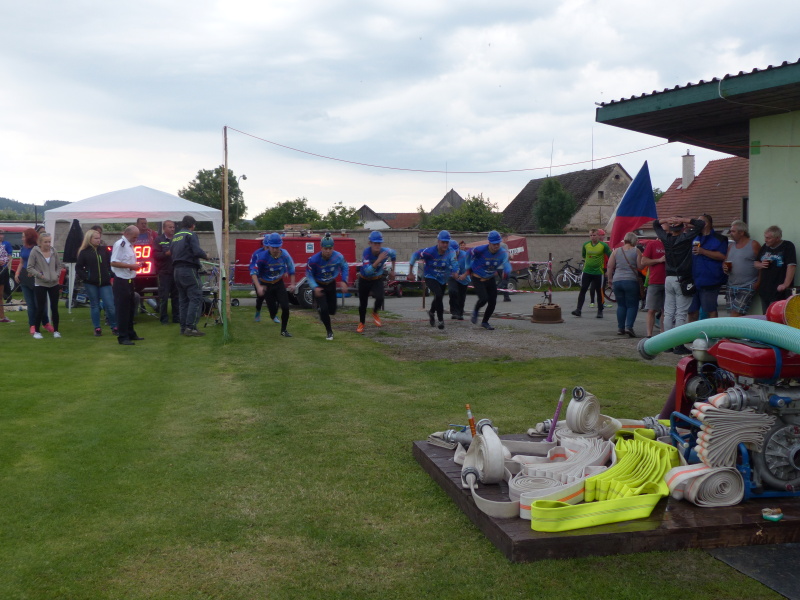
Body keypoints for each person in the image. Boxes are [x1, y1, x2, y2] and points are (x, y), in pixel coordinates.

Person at [653, 215, 705, 355]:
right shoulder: (686, 238)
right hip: (682, 278)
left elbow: (655, 224)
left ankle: (667, 343)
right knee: (681, 313)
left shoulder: (666, 238)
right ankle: (678, 344)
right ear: (682, 228)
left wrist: (666, 220)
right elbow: (700, 224)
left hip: (668, 277)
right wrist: (684, 220)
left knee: (668, 312)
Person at [408, 231, 459, 330]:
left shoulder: (451, 252)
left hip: (442, 278)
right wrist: (410, 272)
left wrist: (455, 271)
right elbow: (415, 255)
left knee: (438, 297)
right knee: (438, 295)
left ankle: (431, 312)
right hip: (430, 276)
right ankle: (440, 320)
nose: (445, 245)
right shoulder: (429, 251)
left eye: (447, 242)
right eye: (443, 242)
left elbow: (454, 262)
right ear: (438, 241)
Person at [171, 216, 211, 337]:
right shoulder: (190, 234)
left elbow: (171, 252)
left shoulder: (175, 236)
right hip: (188, 270)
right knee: (196, 297)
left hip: (176, 271)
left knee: (183, 301)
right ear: (192, 225)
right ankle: (191, 327)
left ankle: (183, 328)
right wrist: (206, 255)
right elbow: (196, 251)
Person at [250, 232, 295, 337]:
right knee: (273, 310)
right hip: (266, 284)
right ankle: (271, 314)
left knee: (285, 306)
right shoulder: (262, 257)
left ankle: (284, 330)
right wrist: (259, 287)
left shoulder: (285, 254)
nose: (275, 250)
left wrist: (293, 284)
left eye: (277, 247)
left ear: (281, 246)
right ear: (268, 246)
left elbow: (291, 269)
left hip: (279, 283)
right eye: (272, 247)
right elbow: (253, 273)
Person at [305, 233, 349, 340]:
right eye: (326, 249)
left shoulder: (338, 257)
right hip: (319, 286)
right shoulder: (314, 260)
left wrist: (344, 281)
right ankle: (329, 331)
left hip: (331, 284)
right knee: (324, 309)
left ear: (333, 248)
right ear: (321, 248)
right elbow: (309, 275)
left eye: (330, 249)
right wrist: (315, 287)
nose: (328, 251)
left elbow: (345, 267)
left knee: (332, 310)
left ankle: (321, 311)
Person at [76, 229, 118, 337]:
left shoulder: (104, 250)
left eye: (99, 238)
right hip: (91, 283)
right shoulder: (84, 252)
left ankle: (114, 326)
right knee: (95, 305)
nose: (98, 240)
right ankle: (97, 328)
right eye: (96, 238)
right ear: (89, 239)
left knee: (110, 305)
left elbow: (110, 263)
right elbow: (79, 267)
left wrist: (110, 274)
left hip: (105, 282)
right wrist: (86, 277)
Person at [467, 230, 511, 331]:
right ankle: (476, 311)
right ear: (489, 243)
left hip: (490, 278)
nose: (496, 246)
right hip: (478, 278)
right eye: (494, 244)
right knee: (484, 298)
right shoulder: (480, 249)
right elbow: (468, 253)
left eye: (498, 244)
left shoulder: (502, 252)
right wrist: (468, 268)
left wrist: (506, 272)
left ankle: (485, 322)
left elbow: (507, 264)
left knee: (493, 301)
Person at [687, 214, 728, 322]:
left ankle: (713, 331)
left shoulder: (719, 239)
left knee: (710, 310)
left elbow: (722, 256)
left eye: (699, 221)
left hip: (710, 280)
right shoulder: (694, 237)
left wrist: (703, 251)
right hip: (693, 280)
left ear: (706, 223)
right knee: (691, 311)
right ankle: (692, 332)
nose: (696, 224)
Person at [110, 226, 145, 345]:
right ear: (127, 234)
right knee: (123, 309)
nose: (136, 239)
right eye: (134, 237)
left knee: (130, 308)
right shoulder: (121, 244)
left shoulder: (129, 245)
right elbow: (114, 262)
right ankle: (123, 336)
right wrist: (131, 266)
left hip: (129, 279)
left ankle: (130, 333)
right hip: (121, 280)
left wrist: (135, 265)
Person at [356, 231, 396, 333]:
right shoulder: (366, 253)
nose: (377, 246)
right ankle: (362, 322)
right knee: (363, 303)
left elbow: (394, 254)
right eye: (375, 243)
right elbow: (367, 271)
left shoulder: (385, 251)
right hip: (364, 279)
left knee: (380, 297)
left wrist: (393, 270)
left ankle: (375, 312)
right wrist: (379, 260)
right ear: (370, 243)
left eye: (379, 243)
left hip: (377, 279)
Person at [14, 228, 52, 335]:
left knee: (39, 303)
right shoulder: (23, 248)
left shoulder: (38, 248)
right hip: (25, 277)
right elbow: (22, 262)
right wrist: (17, 273)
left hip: (36, 277)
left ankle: (45, 322)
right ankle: (33, 325)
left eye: (24, 236)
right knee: (30, 304)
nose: (22, 238)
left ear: (29, 237)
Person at [606, 232, 644, 337]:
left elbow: (609, 266)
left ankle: (620, 328)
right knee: (632, 305)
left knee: (621, 305)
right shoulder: (636, 251)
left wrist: (610, 279)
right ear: (634, 240)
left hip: (617, 280)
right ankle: (629, 327)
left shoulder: (616, 251)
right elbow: (640, 266)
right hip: (631, 281)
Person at [27, 232, 62, 339]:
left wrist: (57, 274)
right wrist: (40, 275)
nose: (48, 244)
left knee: (54, 307)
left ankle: (56, 330)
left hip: (53, 283)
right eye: (45, 242)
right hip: (41, 283)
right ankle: (37, 331)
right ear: (40, 242)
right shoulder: (35, 252)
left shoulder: (53, 251)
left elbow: (59, 265)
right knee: (40, 307)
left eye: (49, 242)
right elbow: (30, 267)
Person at [755, 225, 797, 313]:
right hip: (765, 289)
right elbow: (755, 263)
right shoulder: (765, 246)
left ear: (777, 238)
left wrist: (785, 284)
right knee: (765, 316)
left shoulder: (787, 246)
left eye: (768, 238)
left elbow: (791, 266)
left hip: (779, 289)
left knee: (775, 315)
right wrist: (761, 264)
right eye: (765, 237)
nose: (765, 240)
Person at [571, 229, 611, 319]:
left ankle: (600, 310)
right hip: (587, 271)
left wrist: (608, 269)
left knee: (599, 291)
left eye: (594, 235)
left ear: (598, 236)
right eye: (591, 235)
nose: (592, 237)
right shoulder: (586, 245)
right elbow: (584, 255)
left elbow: (610, 255)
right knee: (583, 289)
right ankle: (578, 309)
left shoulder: (603, 245)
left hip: (598, 272)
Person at [724, 220, 761, 317]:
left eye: (733, 231)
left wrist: (758, 282)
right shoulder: (731, 246)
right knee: (736, 315)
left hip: (747, 284)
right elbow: (725, 261)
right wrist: (724, 267)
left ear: (741, 232)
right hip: (731, 284)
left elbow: (762, 264)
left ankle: (731, 328)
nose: (730, 233)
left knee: (735, 314)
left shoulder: (753, 244)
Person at [154, 219, 180, 325]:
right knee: (164, 297)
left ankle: (176, 318)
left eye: (173, 227)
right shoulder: (158, 240)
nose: (172, 229)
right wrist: (166, 254)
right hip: (164, 272)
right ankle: (164, 319)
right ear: (164, 228)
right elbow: (155, 255)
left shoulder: (177, 239)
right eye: (170, 227)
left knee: (176, 296)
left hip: (176, 271)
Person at [640, 238, 666, 337]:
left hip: (668, 280)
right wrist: (659, 260)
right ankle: (649, 335)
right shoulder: (652, 244)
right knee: (651, 309)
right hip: (654, 281)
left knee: (666, 310)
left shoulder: (671, 242)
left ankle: (663, 333)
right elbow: (643, 261)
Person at [448, 239, 470, 320]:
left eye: (456, 252)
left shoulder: (465, 256)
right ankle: (454, 311)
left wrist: (464, 275)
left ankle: (460, 313)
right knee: (452, 291)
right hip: (452, 276)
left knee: (461, 296)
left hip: (464, 277)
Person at [0, 229, 14, 323]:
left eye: (2, 234)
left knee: (0, 294)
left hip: (3, 270)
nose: (1, 236)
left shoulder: (6, 244)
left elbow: (10, 256)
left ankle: (2, 316)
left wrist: (8, 266)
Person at [500, 232, 512, 302]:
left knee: (503, 281)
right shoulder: (504, 245)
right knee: (504, 281)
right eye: (507, 238)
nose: (507, 240)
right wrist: (511, 256)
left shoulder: (497, 245)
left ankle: (506, 297)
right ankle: (493, 292)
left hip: (498, 267)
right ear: (504, 238)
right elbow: (507, 256)